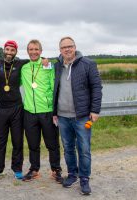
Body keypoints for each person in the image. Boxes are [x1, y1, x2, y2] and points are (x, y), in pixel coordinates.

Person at [53, 36, 102, 195]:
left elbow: (96, 88)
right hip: (62, 116)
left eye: (70, 46)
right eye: (63, 47)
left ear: (75, 47)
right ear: (60, 50)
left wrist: (95, 110)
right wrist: (54, 113)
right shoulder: (57, 66)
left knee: (84, 149)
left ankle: (84, 179)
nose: (67, 49)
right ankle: (72, 174)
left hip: (81, 116)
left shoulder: (88, 64)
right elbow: (55, 89)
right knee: (68, 148)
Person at [21, 39, 63, 183]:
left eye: (36, 49)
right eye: (31, 49)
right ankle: (34, 169)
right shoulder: (24, 68)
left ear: (41, 51)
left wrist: (55, 109)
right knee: (33, 144)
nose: (33, 52)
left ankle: (56, 169)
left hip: (47, 111)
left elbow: (54, 87)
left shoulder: (48, 66)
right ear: (27, 51)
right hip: (29, 112)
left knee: (52, 143)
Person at [0, 40, 26, 180]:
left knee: (17, 140)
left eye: (12, 50)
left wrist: (46, 60)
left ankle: (17, 169)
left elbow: (37, 59)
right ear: (4, 50)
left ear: (16, 52)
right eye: (7, 49)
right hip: (2, 108)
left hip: (17, 108)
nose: (9, 52)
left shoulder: (21, 64)